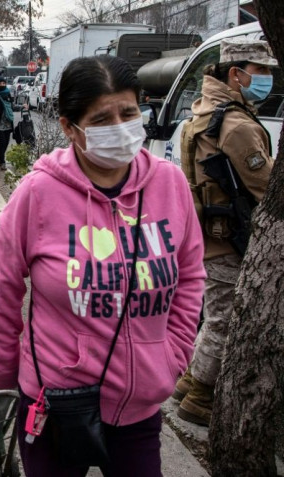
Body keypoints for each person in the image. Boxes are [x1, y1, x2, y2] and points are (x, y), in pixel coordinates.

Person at [0, 55, 206, 476]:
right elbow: (3, 289)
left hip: (139, 408)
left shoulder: (169, 184)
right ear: (69, 128)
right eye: (102, 119)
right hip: (54, 404)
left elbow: (192, 274)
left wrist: (173, 355)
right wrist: (4, 374)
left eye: (128, 113)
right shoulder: (37, 193)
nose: (121, 128)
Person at [173, 39, 277, 426]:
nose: (266, 79)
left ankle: (190, 380)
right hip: (227, 237)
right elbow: (266, 185)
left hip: (211, 233)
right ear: (236, 74)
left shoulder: (205, 111)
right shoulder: (233, 123)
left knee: (216, 313)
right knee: (225, 318)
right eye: (261, 70)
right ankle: (200, 396)